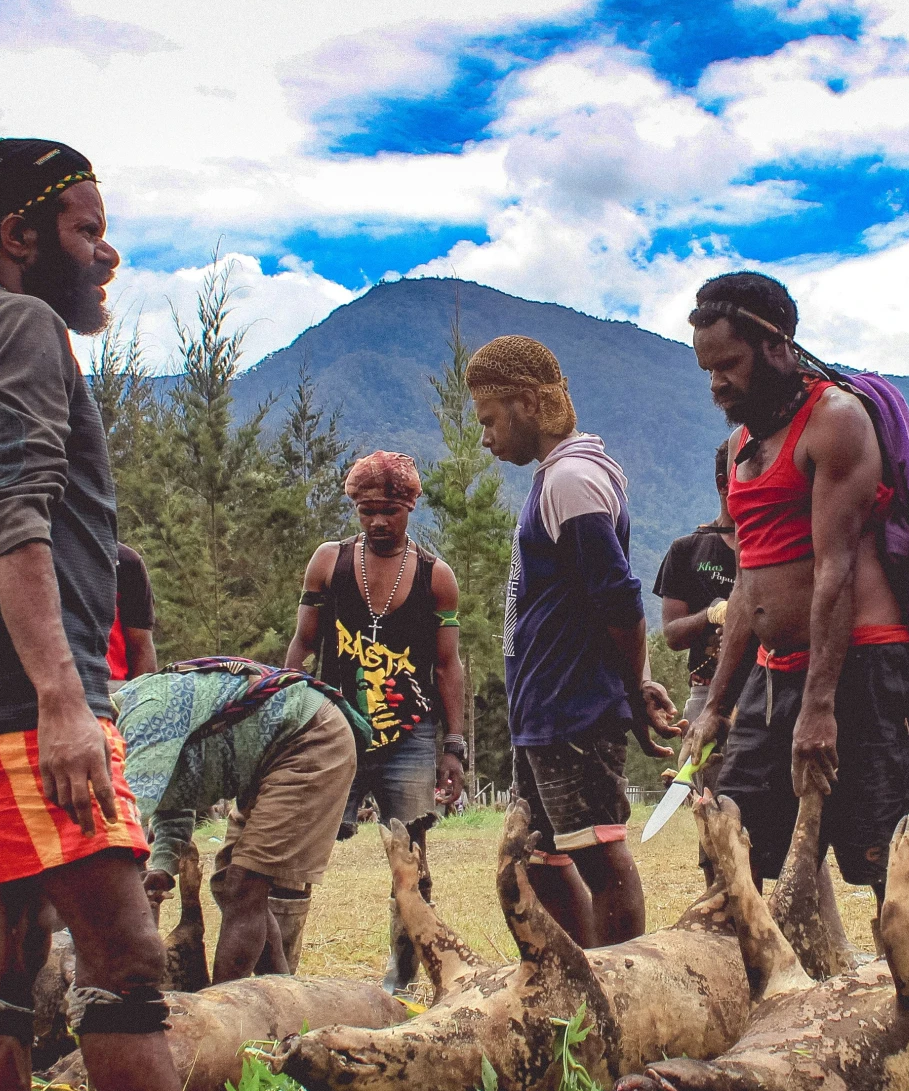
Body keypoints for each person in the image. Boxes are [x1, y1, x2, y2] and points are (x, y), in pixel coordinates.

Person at [0, 136, 268, 1091]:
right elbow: (18, 517)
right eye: (85, 228)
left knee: (2, 964)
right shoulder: (16, 325)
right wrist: (64, 701)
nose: (106, 253)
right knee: (125, 964)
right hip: (22, 707)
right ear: (19, 237)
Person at [681, 272, 909, 905]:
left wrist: (820, 705)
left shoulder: (836, 421)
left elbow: (835, 570)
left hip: (862, 671)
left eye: (728, 366)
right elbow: (751, 582)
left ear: (777, 344)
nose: (717, 384)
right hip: (774, 674)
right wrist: (717, 705)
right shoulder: (744, 441)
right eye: (708, 370)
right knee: (734, 846)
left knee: (888, 865)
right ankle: (769, 994)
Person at [466, 334, 680, 947]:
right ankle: (578, 984)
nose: (485, 437)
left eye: (489, 419)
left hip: (573, 707)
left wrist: (633, 687)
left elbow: (619, 600)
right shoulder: (556, 479)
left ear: (529, 403)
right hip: (544, 708)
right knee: (539, 858)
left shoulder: (573, 482)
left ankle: (620, 995)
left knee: (599, 858)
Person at [282, 450, 467, 990]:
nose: (379, 522)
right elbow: (304, 641)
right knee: (294, 853)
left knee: (410, 861)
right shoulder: (328, 563)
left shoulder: (437, 578)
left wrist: (452, 744)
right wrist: (284, 712)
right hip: (333, 728)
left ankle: (404, 982)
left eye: (390, 510)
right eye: (366, 511)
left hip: (409, 735)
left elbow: (448, 664)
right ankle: (279, 976)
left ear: (410, 507)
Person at [122, 658, 370, 982]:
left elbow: (125, 825)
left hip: (308, 737)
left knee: (244, 885)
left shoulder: (144, 716)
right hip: (272, 751)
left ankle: (227, 1015)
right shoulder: (122, 734)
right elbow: (175, 803)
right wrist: (161, 869)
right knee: (231, 885)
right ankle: (285, 999)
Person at [654, 438, 740, 718]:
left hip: (766, 689)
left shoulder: (772, 547)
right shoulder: (687, 549)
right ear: (722, 483)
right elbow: (672, 636)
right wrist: (712, 614)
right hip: (705, 694)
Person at [108, 541, 158, 681]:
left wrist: (139, 699)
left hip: (114, 691)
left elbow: (141, 648)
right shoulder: (44, 555)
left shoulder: (125, 561)